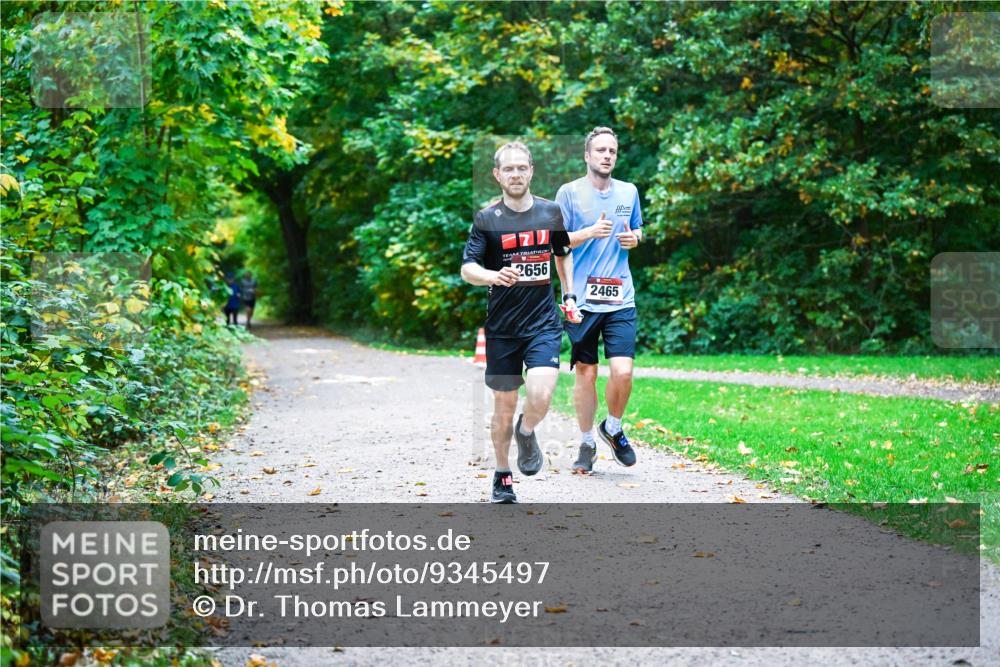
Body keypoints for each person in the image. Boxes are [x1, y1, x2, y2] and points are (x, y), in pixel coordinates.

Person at [461, 141, 581, 504]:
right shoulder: (486, 219)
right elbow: (468, 269)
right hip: (502, 329)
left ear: (531, 171)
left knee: (542, 394)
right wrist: (493, 275)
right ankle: (502, 475)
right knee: (504, 406)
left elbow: (562, 254)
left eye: (522, 168)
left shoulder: (550, 213)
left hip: (543, 323)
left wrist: (569, 293)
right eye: (508, 169)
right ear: (498, 175)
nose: (516, 174)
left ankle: (526, 432)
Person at [556, 127, 643, 473]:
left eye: (613, 151)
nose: (607, 156)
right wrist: (589, 233)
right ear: (587, 156)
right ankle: (586, 443)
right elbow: (557, 245)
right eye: (601, 150)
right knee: (587, 374)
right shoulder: (570, 193)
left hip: (621, 297)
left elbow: (637, 227)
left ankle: (613, 427)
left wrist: (635, 238)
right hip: (582, 301)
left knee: (623, 372)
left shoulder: (629, 191)